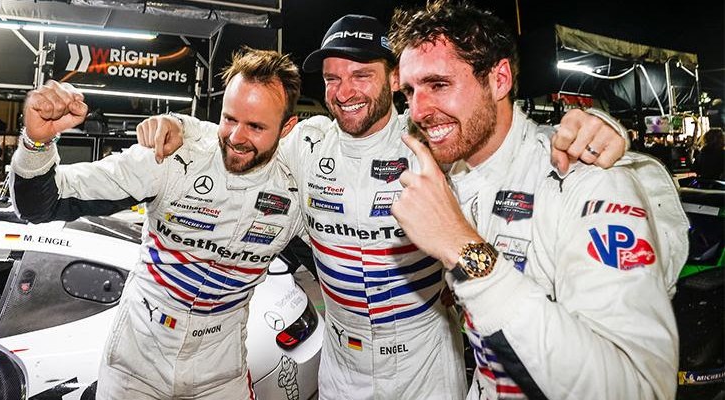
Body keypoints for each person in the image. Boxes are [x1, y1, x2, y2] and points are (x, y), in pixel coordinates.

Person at [137, 14, 629, 400]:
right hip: (341, 364)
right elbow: (243, 135)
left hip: (424, 360)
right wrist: (181, 126)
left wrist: (598, 131)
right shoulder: (306, 143)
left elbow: (510, 149)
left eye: (360, 75)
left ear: (394, 79)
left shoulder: (435, 141)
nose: (344, 91)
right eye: (332, 78)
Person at [387, 1, 690, 399]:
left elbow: (638, 388)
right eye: (410, 91)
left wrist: (462, 248)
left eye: (438, 85)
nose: (418, 110)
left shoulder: (584, 177)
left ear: (499, 79)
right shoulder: (445, 168)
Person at [10, 48, 305, 399]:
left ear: (287, 128)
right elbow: (41, 206)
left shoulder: (296, 190)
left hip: (220, 377)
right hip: (135, 370)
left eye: (255, 126)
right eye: (229, 119)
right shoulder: (173, 155)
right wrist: (37, 141)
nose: (236, 137)